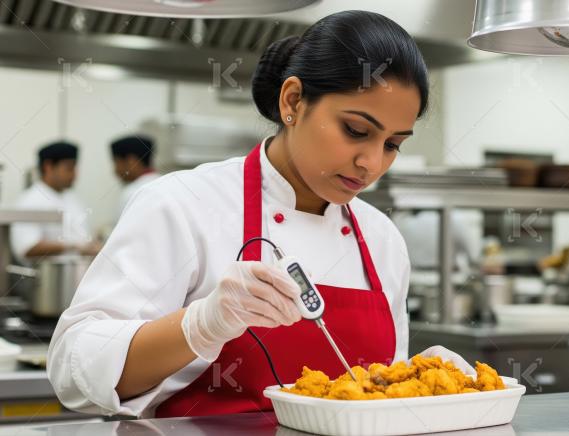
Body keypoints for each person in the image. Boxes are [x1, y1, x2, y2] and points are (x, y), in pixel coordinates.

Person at [47, 10, 469, 419]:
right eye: (356, 131)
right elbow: (73, 368)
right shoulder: (183, 204)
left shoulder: (382, 240)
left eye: (393, 144)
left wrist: (418, 379)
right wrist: (200, 326)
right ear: (293, 101)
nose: (371, 163)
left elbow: (374, 402)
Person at [10, 141, 99, 262]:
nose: (74, 174)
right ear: (48, 166)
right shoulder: (29, 201)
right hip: (47, 278)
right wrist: (73, 246)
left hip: (78, 274)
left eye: (75, 168)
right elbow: (27, 248)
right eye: (69, 168)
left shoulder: (73, 198)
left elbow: (84, 237)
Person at [110, 135, 160, 219]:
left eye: (116, 162)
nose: (115, 170)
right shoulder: (168, 183)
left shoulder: (131, 194)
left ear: (131, 161)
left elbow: (123, 231)